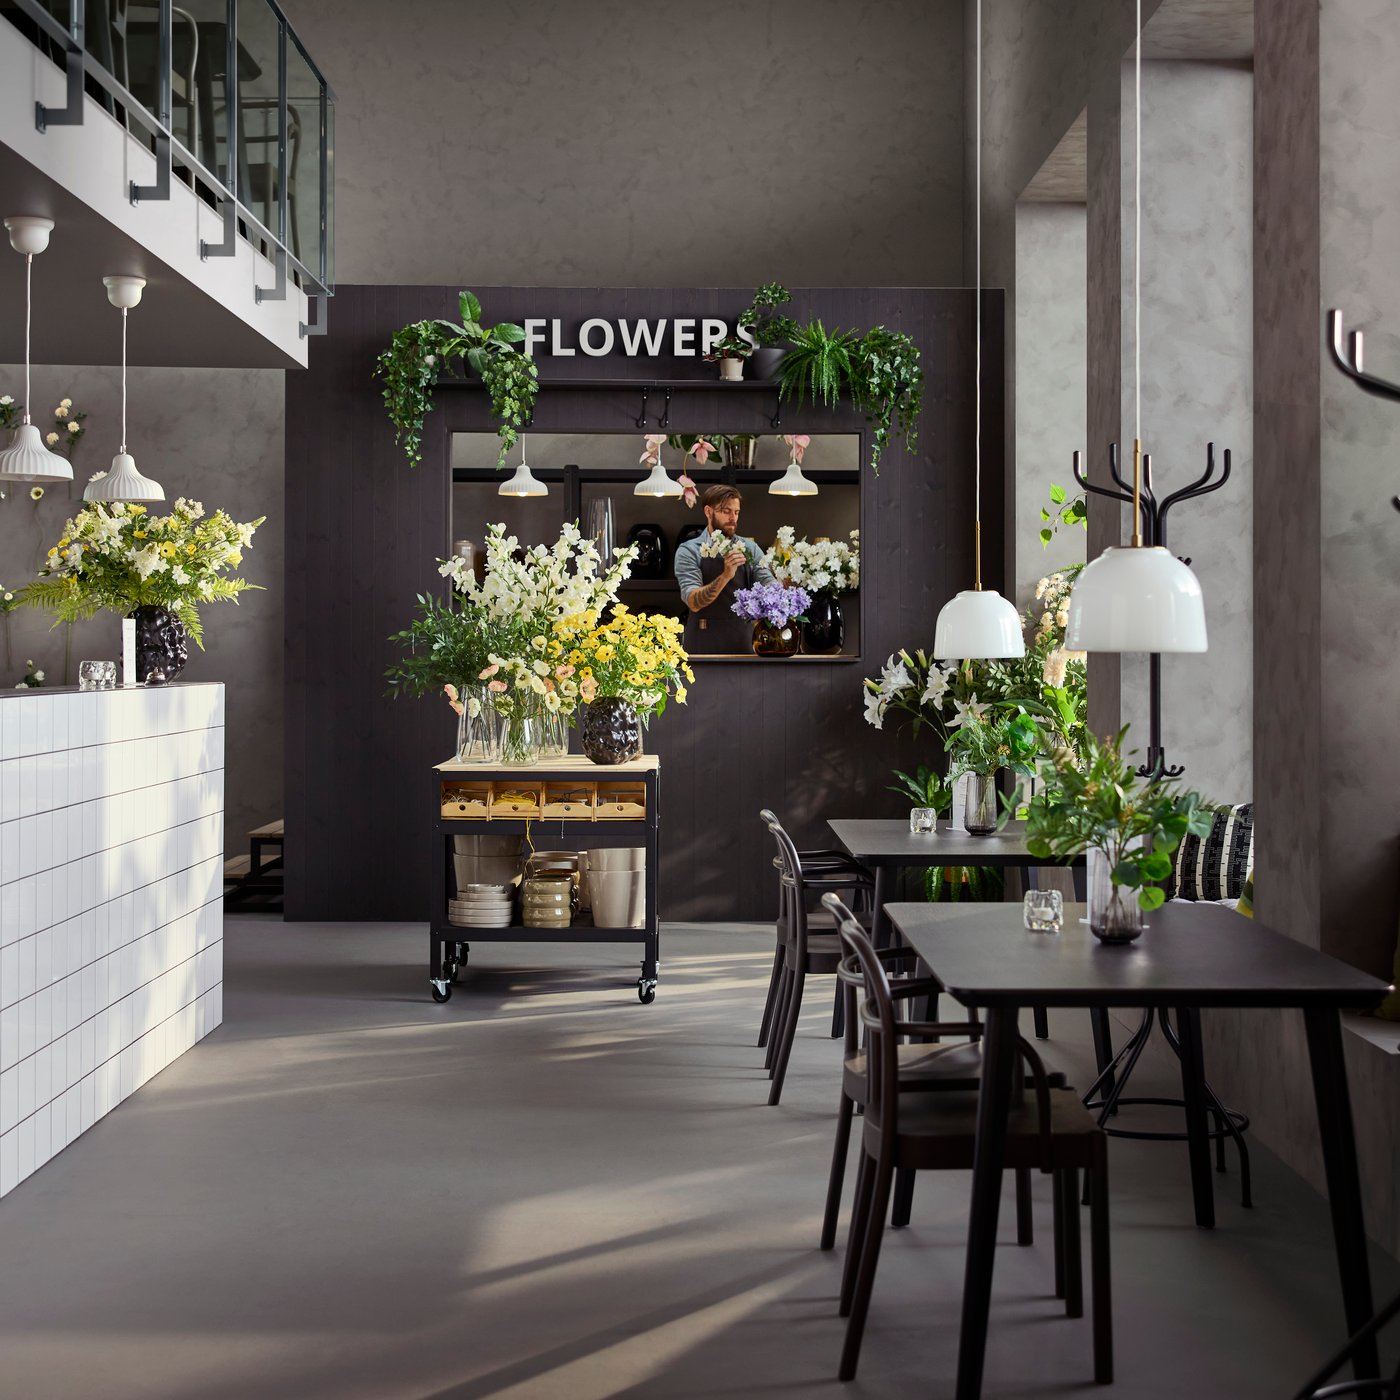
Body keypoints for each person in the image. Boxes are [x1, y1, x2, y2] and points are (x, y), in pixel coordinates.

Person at [673, 486, 776, 655]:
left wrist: (781, 590)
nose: (732, 518)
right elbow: (693, 601)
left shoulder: (749, 548)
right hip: (702, 646)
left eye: (736, 512)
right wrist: (726, 575)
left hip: (744, 644)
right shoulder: (689, 550)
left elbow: (767, 582)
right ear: (708, 511)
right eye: (726, 511)